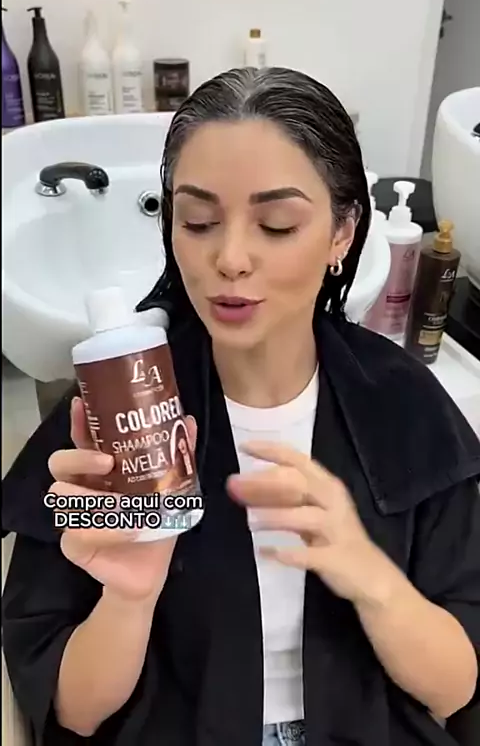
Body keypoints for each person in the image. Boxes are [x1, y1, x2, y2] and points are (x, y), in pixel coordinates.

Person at [2, 67, 480, 746]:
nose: (229, 258)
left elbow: (456, 690)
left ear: (343, 232)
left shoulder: (405, 407)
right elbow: (74, 712)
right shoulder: (118, 417)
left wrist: (370, 577)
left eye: (276, 225)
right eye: (198, 221)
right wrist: (129, 600)